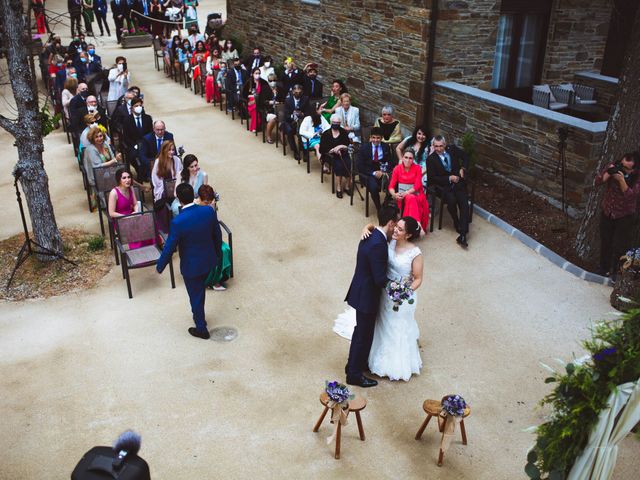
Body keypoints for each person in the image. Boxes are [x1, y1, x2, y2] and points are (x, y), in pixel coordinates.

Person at [156, 183, 223, 340]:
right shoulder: (208, 210)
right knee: (198, 294)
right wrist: (217, 254)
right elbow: (217, 235)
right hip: (209, 260)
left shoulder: (178, 222)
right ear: (194, 195)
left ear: (179, 200)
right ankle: (199, 318)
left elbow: (170, 247)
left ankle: (201, 328)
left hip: (192, 266)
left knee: (196, 295)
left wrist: (160, 266)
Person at [344, 205, 399, 387]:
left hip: (360, 291)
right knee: (364, 335)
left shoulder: (372, 234)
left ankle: (352, 365)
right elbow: (379, 278)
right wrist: (398, 288)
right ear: (390, 223)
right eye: (395, 224)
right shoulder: (378, 244)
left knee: (360, 331)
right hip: (366, 296)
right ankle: (354, 374)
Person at [367, 216, 423, 381]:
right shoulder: (391, 239)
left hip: (401, 296)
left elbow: (418, 278)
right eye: (396, 227)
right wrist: (366, 227)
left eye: (400, 229)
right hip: (385, 291)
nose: (395, 230)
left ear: (408, 235)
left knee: (397, 326)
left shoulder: (415, 253)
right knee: (382, 323)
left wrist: (404, 292)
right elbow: (375, 227)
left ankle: (395, 364)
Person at [596, 152, 640, 277]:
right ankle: (603, 268)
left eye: (626, 168)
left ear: (634, 169)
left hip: (625, 216)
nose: (622, 168)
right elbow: (597, 181)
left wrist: (621, 180)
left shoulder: (637, 178)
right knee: (605, 242)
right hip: (608, 211)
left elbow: (630, 197)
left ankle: (617, 272)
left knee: (620, 246)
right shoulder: (614, 166)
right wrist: (606, 175)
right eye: (622, 165)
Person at [426, 135, 470, 247]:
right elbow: (432, 178)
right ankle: (456, 221)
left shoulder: (452, 149)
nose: (439, 149)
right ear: (433, 146)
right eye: (436, 146)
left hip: (458, 184)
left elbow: (465, 156)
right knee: (451, 201)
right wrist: (448, 178)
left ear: (445, 145)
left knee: (464, 203)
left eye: (441, 146)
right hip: (444, 187)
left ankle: (463, 235)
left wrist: (463, 168)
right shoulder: (430, 159)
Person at [197, 185, 231, 291]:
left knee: (224, 249)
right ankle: (212, 281)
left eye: (209, 202)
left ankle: (219, 277)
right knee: (215, 251)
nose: (208, 205)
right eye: (206, 203)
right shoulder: (196, 208)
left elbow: (215, 225)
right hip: (200, 239)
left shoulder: (211, 207)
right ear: (200, 200)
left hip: (212, 237)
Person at [389, 150, 430, 233]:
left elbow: (417, 185)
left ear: (413, 159)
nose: (408, 160)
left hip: (417, 193)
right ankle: (416, 224)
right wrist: (394, 194)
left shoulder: (418, 168)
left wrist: (406, 193)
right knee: (410, 198)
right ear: (402, 158)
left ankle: (414, 225)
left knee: (411, 198)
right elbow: (391, 186)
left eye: (410, 158)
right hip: (403, 195)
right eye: (406, 157)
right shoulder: (397, 169)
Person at [357, 127, 394, 212]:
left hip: (382, 171)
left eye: (378, 138)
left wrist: (383, 172)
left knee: (393, 182)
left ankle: (386, 201)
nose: (375, 140)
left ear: (381, 138)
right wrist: (373, 173)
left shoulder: (385, 147)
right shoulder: (364, 148)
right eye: (373, 137)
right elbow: (360, 165)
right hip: (368, 173)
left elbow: (390, 161)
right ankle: (379, 209)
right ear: (370, 137)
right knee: (373, 187)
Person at [320, 114, 351, 198]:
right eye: (334, 122)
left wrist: (341, 147)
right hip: (331, 156)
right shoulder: (326, 134)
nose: (336, 124)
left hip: (343, 153)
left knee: (349, 163)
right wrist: (333, 150)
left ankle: (347, 186)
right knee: (339, 166)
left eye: (337, 123)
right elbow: (322, 148)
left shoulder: (343, 132)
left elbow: (347, 143)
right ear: (331, 122)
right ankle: (339, 188)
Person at [122, 96, 153, 180]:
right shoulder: (127, 120)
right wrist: (134, 145)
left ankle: (147, 173)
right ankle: (141, 173)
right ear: (132, 108)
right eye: (136, 106)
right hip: (133, 144)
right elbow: (126, 137)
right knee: (134, 156)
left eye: (140, 105)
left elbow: (150, 133)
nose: (138, 107)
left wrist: (145, 143)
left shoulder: (147, 118)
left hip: (145, 143)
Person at [83, 127, 121, 192]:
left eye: (100, 136)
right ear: (92, 138)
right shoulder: (91, 149)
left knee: (125, 176)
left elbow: (112, 157)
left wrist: (115, 160)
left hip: (109, 171)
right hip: (97, 177)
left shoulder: (105, 144)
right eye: (96, 137)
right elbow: (97, 167)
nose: (99, 138)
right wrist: (114, 160)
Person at [396, 126, 429, 191]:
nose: (421, 136)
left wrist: (419, 174)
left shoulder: (429, 145)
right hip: (407, 166)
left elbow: (430, 162)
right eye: (419, 133)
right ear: (416, 133)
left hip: (422, 170)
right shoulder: (409, 139)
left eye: (424, 134)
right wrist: (400, 159)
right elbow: (398, 148)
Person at [282, 84, 309, 160]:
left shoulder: (305, 99)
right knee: (290, 131)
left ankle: (304, 152)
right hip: (290, 121)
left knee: (303, 132)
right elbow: (286, 115)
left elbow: (308, 113)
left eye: (300, 92)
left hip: (302, 121)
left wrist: (302, 114)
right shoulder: (288, 100)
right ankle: (295, 151)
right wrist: (293, 116)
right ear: (293, 92)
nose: (298, 94)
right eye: (296, 92)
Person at [242, 67, 270, 133]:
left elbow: (266, 93)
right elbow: (244, 94)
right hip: (250, 102)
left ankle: (255, 126)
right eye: (256, 73)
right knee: (255, 108)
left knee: (256, 107)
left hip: (260, 101)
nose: (258, 75)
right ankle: (255, 126)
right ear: (252, 74)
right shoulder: (249, 82)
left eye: (259, 73)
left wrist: (256, 99)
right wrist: (250, 98)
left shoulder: (263, 82)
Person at [264, 74, 285, 144]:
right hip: (269, 110)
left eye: (274, 80)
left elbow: (283, 99)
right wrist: (270, 102)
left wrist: (279, 102)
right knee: (274, 119)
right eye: (270, 80)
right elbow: (262, 102)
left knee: (282, 118)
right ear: (268, 81)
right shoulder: (265, 89)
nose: (272, 82)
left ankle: (282, 136)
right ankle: (268, 136)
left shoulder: (280, 89)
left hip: (279, 109)